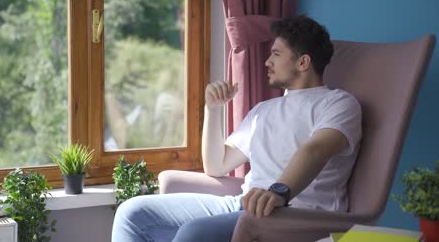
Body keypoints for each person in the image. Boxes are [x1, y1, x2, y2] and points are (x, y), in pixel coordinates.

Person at [111, 15, 362, 242]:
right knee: (132, 213)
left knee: (193, 233)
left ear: (303, 62)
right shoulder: (263, 110)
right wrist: (213, 108)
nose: (266, 62)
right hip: (242, 205)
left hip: (293, 215)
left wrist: (279, 192)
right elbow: (216, 165)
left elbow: (316, 149)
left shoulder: (339, 103)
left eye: (275, 54)